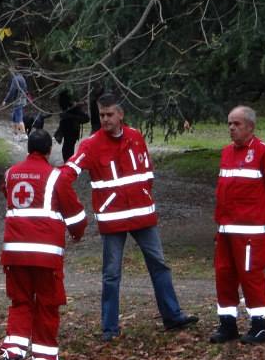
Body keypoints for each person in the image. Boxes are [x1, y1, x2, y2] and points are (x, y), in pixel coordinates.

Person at [63, 92, 197, 341]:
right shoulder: (91, 145)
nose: (105, 120)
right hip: (113, 220)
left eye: (109, 114)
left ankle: (173, 315)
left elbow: (147, 170)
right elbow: (67, 174)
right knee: (112, 274)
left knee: (159, 265)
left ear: (121, 114)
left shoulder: (135, 137)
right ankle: (110, 328)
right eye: (101, 115)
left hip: (143, 216)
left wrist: (144, 194)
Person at [0, 130, 87, 360]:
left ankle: (11, 353)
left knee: (20, 303)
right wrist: (77, 233)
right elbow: (76, 215)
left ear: (29, 148)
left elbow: (9, 196)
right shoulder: (56, 177)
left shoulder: (10, 174)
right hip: (46, 255)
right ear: (49, 151)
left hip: (14, 253)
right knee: (47, 304)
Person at [211, 106, 265, 345]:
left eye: (237, 124)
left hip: (251, 231)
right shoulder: (226, 152)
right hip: (226, 228)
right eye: (229, 123)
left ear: (250, 127)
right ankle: (227, 324)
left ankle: (260, 325)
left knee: (251, 276)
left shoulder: (263, 152)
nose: (231, 128)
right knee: (224, 275)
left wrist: (264, 213)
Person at [53, 89, 89, 165]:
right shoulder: (70, 104)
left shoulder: (73, 106)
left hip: (71, 128)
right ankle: (68, 162)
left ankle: (68, 162)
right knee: (68, 146)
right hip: (70, 128)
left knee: (68, 146)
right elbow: (86, 118)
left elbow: (86, 118)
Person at [3, 68, 29, 140]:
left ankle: (23, 135)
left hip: (18, 101)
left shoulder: (15, 79)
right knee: (14, 117)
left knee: (18, 118)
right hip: (22, 99)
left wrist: (5, 100)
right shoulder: (22, 78)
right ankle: (15, 134)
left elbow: (12, 91)